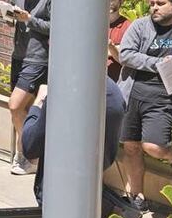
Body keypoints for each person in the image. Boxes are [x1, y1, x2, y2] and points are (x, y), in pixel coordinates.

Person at [119, 0, 172, 208]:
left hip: (165, 97)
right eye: (152, 4)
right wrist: (158, 64)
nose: (154, 8)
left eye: (160, 4)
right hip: (134, 92)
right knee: (131, 146)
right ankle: (135, 196)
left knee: (154, 146)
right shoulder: (140, 26)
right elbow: (126, 55)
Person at [23, 77, 125, 205]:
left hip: (55, 197)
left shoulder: (63, 92)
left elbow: (30, 146)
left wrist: (38, 103)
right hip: (91, 197)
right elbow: (108, 156)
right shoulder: (114, 93)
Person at [6, 0, 52, 176]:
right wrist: (9, 17)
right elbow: (12, 12)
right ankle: (24, 152)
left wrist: (30, 19)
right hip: (19, 54)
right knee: (20, 109)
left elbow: (57, 26)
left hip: (38, 58)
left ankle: (30, 155)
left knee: (15, 104)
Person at [108, 0, 131, 82]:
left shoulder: (128, 27)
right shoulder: (91, 24)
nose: (109, 2)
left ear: (122, 0)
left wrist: (111, 48)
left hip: (113, 85)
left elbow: (125, 60)